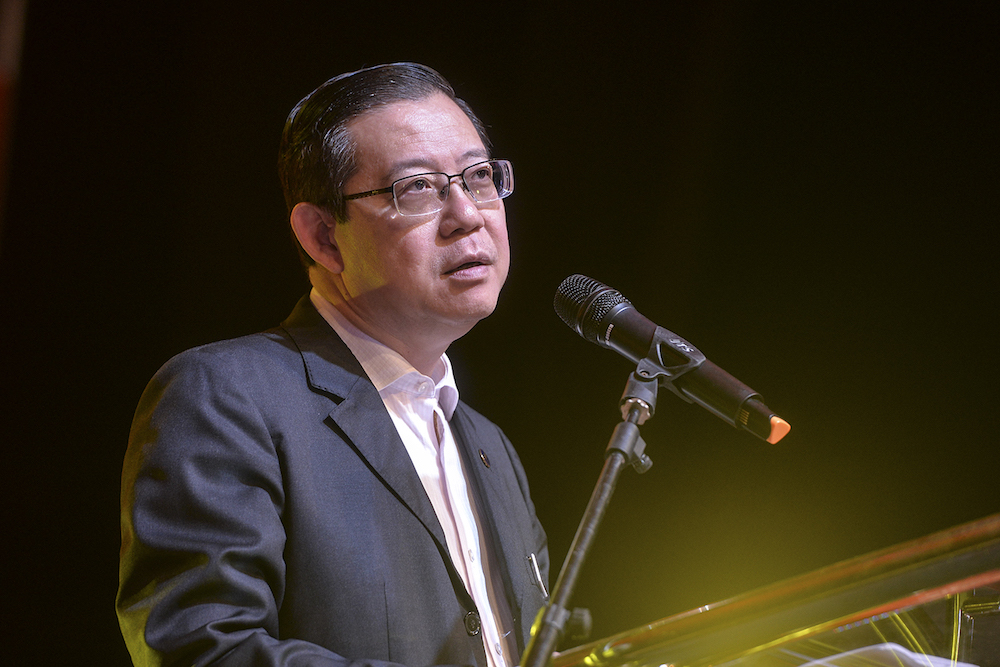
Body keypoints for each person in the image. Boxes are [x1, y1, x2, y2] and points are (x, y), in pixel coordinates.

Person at [116, 62, 549, 666]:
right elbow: (206, 649)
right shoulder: (225, 396)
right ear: (322, 235)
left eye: (477, 177)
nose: (469, 215)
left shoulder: (490, 447)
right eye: (418, 188)